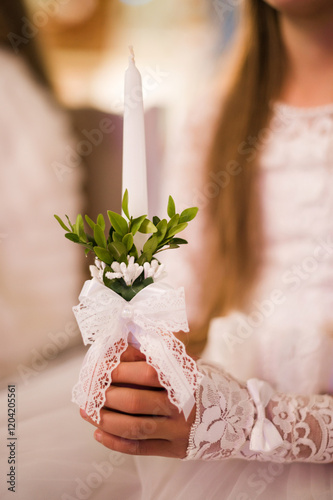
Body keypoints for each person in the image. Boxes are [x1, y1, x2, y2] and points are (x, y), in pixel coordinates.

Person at [79, 0, 333, 498]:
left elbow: (237, 421)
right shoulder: (215, 116)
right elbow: (184, 308)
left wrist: (247, 421)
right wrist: (148, 372)